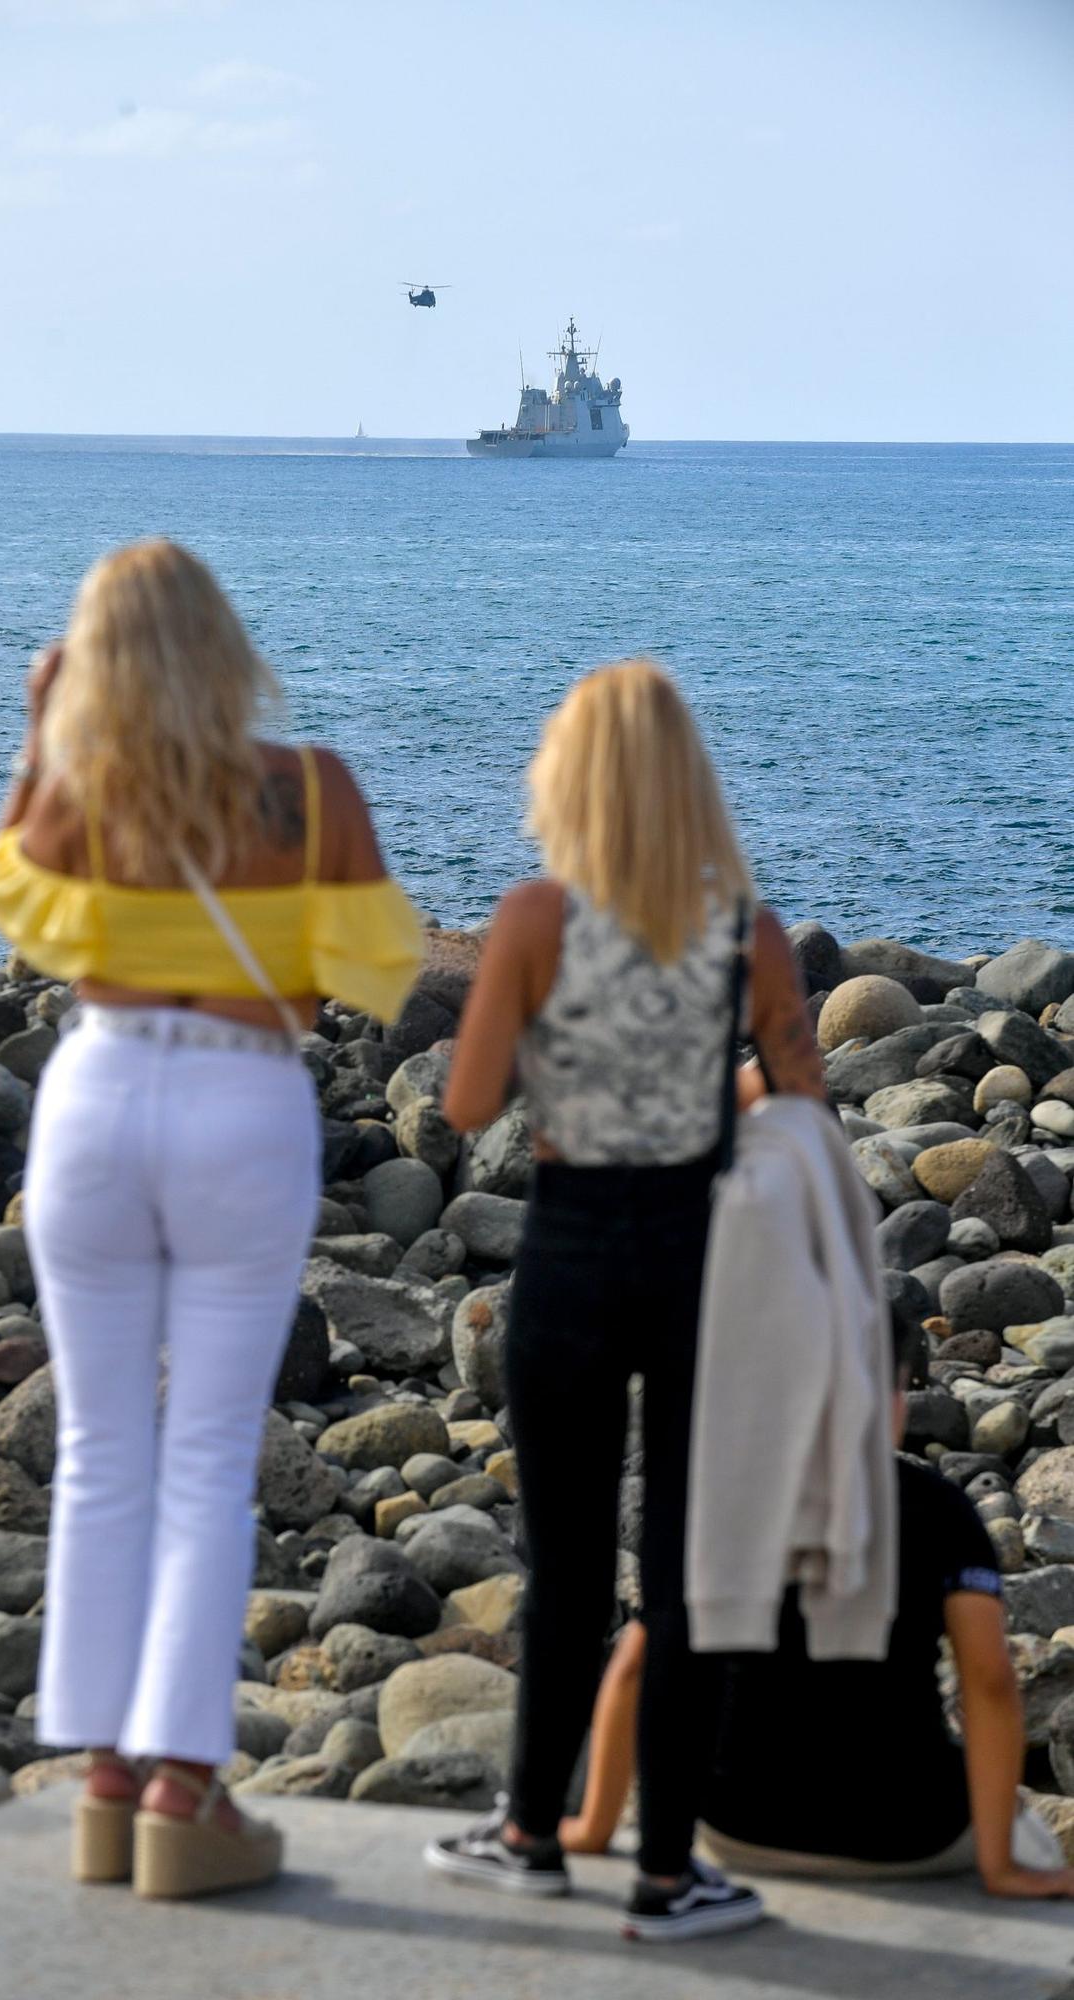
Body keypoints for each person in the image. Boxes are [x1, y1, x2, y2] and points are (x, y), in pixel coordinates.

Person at [0, 539, 421, 1900]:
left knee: (104, 1444)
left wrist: (43, 734)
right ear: (224, 647)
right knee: (213, 1451)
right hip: (240, 1100)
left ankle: (103, 1778)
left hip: (99, 1091)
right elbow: (378, 969)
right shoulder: (306, 787)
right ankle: (183, 1787)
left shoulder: (79, 793)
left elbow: (16, 908)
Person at [423, 659, 828, 1942]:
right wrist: (721, 1097)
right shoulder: (745, 929)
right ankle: (666, 1872)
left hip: (572, 1249)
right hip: (697, 1255)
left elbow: (467, 1103)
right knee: (689, 1569)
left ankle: (531, 1832)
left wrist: (560, 1057)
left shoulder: (538, 917)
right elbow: (801, 1098)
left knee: (566, 1565)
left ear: (572, 777)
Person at [560, 1312, 1074, 1902]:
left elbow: (634, 1666)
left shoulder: (717, 1507)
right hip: (909, 1833)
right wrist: (1000, 1867)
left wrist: (595, 1827)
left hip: (737, 1827)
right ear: (895, 1402)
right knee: (1022, 1822)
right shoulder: (941, 1511)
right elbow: (988, 1682)